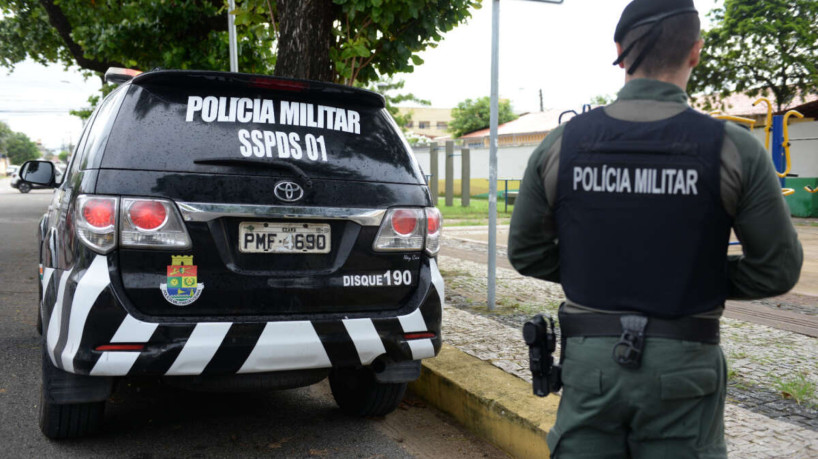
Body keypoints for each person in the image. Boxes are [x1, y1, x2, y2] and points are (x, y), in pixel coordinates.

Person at [508, 0, 803, 457]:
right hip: (686, 366)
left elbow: (526, 252)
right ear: (696, 53)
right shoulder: (733, 148)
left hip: (591, 364)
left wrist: (601, 274)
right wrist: (689, 276)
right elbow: (778, 269)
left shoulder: (563, 144)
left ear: (620, 51)